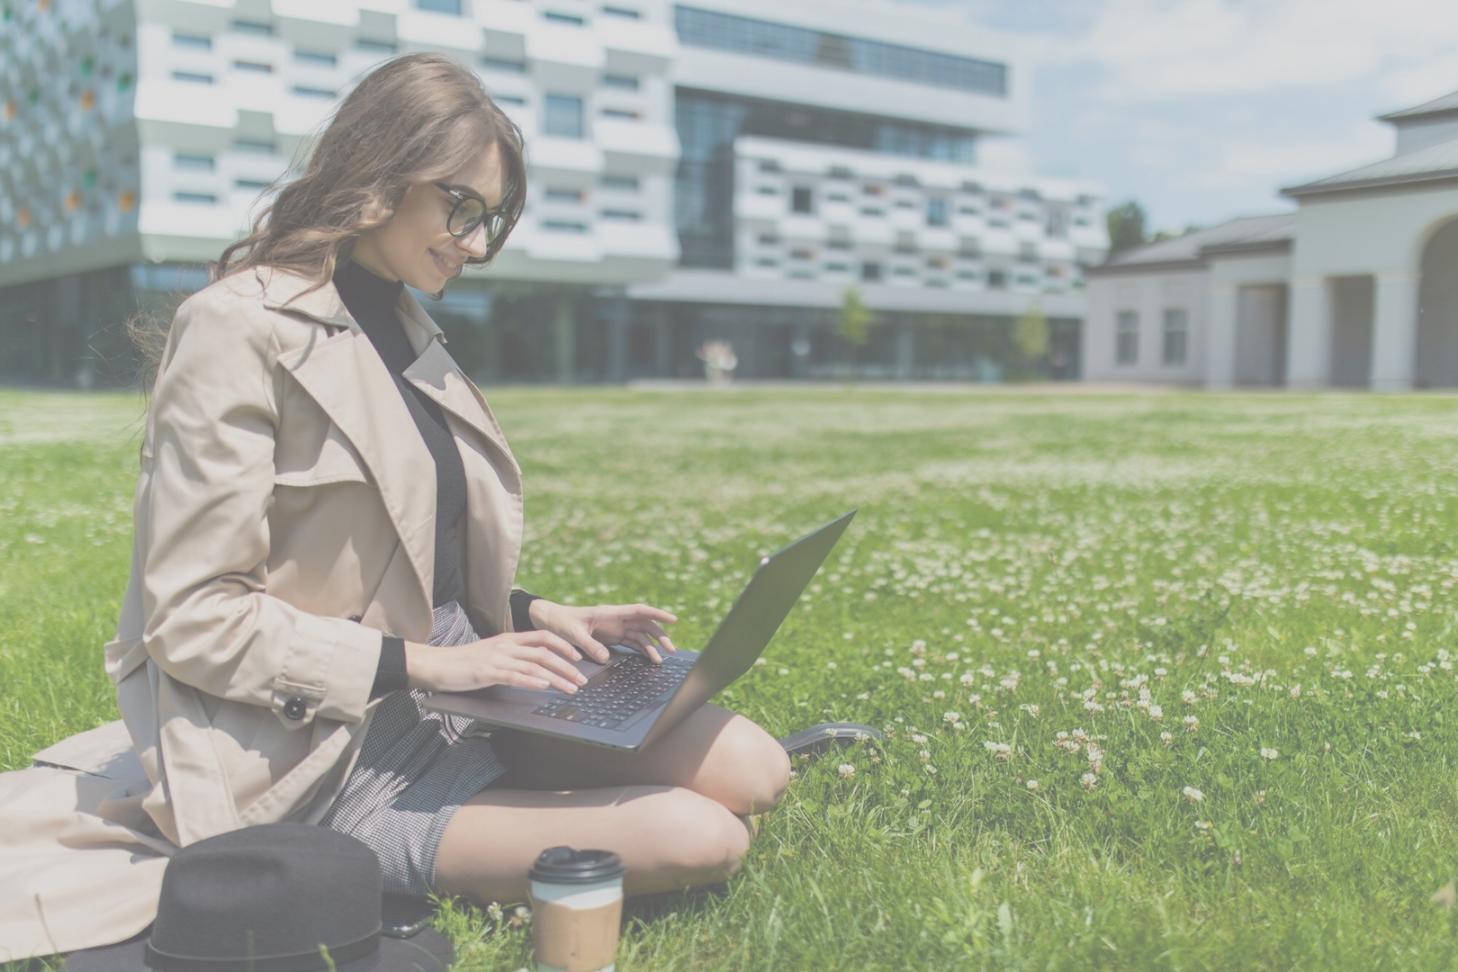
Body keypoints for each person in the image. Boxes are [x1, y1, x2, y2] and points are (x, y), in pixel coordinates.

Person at [0, 52, 789, 961]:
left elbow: (410, 559)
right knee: (705, 838)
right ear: (380, 175)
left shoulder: (410, 325)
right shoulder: (235, 328)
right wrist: (426, 667)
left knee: (756, 770)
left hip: (471, 688)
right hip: (330, 749)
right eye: (462, 208)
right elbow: (191, 618)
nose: (478, 242)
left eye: (490, 218)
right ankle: (406, 844)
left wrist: (538, 615)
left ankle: (532, 770)